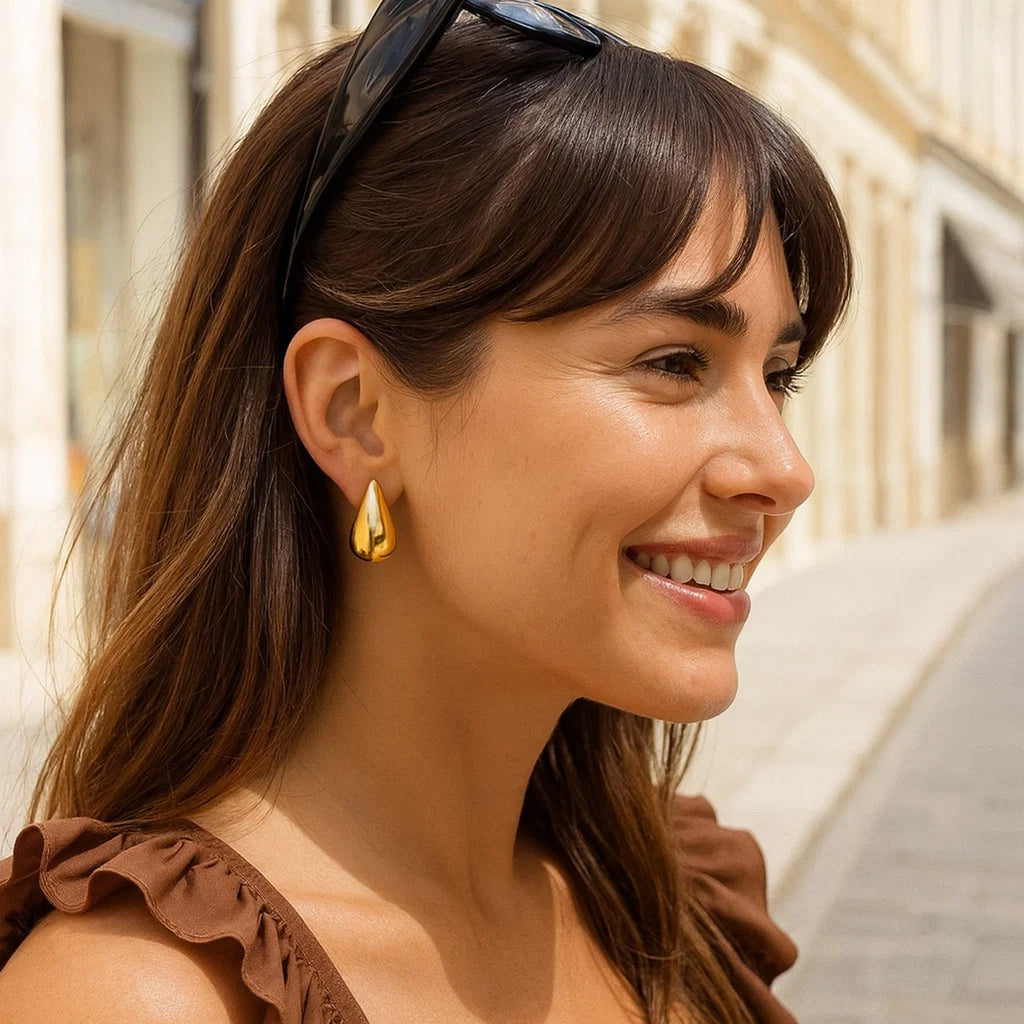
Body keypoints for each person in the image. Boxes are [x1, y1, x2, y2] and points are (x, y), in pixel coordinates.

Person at [0, 1, 852, 1021]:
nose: (782, 468)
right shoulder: (145, 997)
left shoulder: (663, 897)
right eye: (673, 362)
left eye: (779, 375)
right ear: (356, 414)